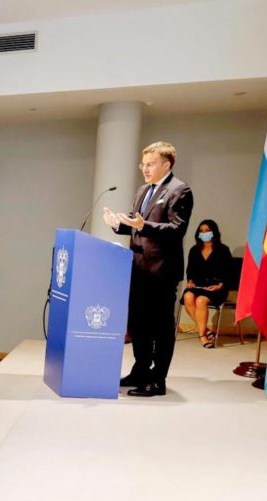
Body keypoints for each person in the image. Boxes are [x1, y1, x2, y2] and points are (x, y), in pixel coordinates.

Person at [103, 141, 194, 397]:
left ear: (166, 164)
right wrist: (117, 224)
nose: (144, 169)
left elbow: (177, 229)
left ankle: (158, 380)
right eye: (143, 164)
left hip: (161, 272)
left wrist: (143, 226)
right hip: (137, 270)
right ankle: (141, 370)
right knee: (138, 325)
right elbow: (137, 226)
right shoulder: (144, 190)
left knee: (161, 329)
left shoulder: (179, 190)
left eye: (150, 164)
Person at [182, 219, 232, 348]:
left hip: (216, 287)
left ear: (214, 232)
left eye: (207, 230)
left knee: (200, 301)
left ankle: (202, 336)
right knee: (188, 297)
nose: (204, 233)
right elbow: (190, 270)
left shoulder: (223, 250)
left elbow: (229, 272)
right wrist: (190, 281)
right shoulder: (194, 250)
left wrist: (220, 285)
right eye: (201, 231)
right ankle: (206, 330)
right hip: (198, 285)